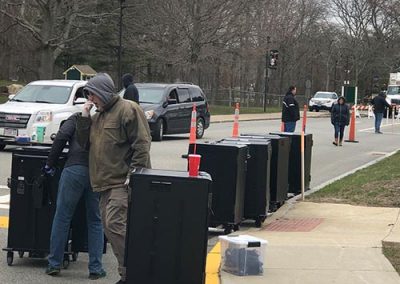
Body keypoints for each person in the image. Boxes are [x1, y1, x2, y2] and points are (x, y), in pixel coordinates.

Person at [76, 73, 152, 284]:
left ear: (103, 92)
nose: (91, 99)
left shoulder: (128, 109)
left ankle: (135, 271)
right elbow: (83, 144)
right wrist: (84, 117)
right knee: (110, 229)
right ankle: (127, 273)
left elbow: (142, 143)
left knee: (114, 224)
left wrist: (135, 174)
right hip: (103, 183)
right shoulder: (97, 116)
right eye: (88, 95)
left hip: (122, 180)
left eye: (92, 94)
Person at [44, 113, 105, 280]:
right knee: (95, 220)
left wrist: (50, 163)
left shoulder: (76, 117)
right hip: (96, 172)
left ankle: (54, 264)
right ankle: (95, 268)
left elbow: (61, 137)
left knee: (62, 217)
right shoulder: (105, 118)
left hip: (74, 169)